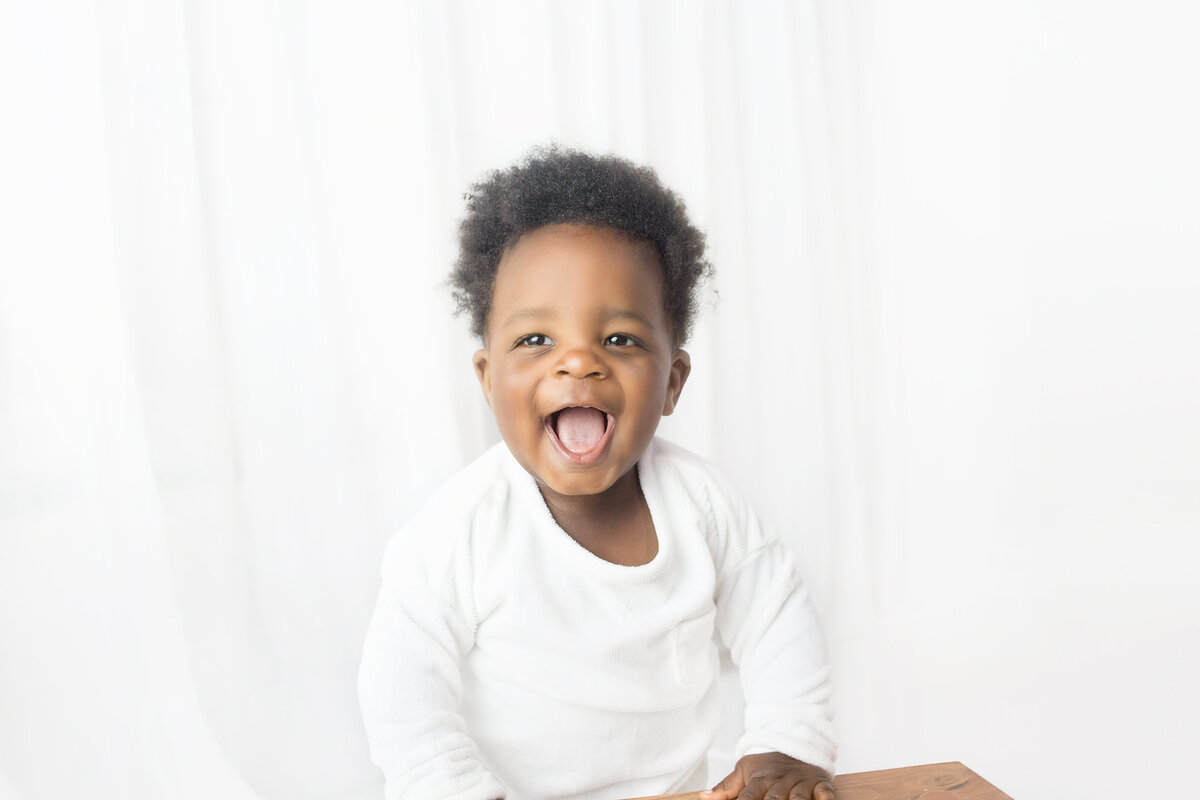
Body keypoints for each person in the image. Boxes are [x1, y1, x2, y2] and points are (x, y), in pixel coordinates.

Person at [358, 147, 837, 800]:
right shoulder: (458, 532)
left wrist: (788, 745)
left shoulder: (705, 507)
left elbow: (777, 619)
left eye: (620, 340)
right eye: (536, 341)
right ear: (487, 378)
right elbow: (404, 691)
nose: (579, 363)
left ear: (672, 382)